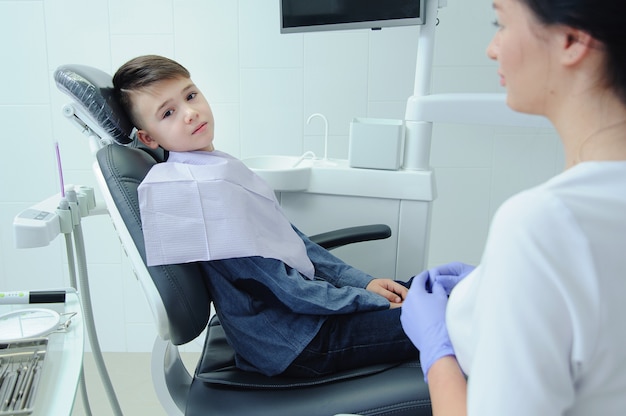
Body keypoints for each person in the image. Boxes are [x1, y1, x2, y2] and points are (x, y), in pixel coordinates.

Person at [112, 54, 418, 378]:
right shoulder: (199, 195)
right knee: (449, 318)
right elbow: (282, 289)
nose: (190, 113)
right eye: (168, 113)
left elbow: (292, 240)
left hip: (307, 314)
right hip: (296, 343)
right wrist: (370, 302)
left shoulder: (212, 166)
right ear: (148, 138)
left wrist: (365, 283)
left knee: (435, 290)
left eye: (190, 95)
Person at [401, 0, 626, 414]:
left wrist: (437, 354)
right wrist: (497, 281)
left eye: (500, 23)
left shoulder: (542, 225)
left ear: (571, 40)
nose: (492, 48)